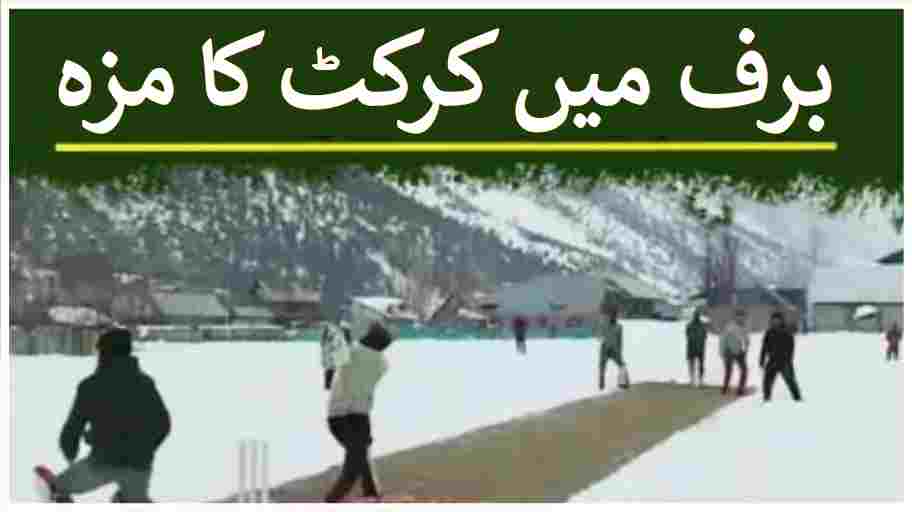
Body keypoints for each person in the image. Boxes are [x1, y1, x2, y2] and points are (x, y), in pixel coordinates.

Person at [49, 328, 171, 503]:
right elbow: (163, 424)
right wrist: (144, 449)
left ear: (104, 354)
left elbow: (72, 429)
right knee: (136, 499)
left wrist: (70, 453)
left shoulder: (90, 386)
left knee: (58, 488)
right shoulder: (145, 384)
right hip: (139, 466)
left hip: (101, 464)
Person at [324, 305, 397, 503]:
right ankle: (367, 493)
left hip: (340, 415)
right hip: (358, 414)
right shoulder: (382, 363)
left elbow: (334, 357)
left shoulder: (355, 353)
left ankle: (336, 500)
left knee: (357, 460)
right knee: (360, 456)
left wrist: (342, 333)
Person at [759, 312, 803, 402]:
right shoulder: (769, 332)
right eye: (774, 320)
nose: (775, 321)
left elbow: (791, 345)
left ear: (781, 320)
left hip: (784, 361)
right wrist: (762, 360)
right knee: (767, 381)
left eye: (777, 320)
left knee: (790, 381)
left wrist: (788, 360)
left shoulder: (787, 331)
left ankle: (797, 398)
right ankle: (766, 399)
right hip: (772, 361)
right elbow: (764, 347)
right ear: (771, 321)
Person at [596, 304, 630, 391]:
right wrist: (601, 338)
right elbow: (599, 335)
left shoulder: (619, 327)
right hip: (605, 348)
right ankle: (601, 385)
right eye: (611, 315)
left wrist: (619, 351)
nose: (613, 317)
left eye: (614, 315)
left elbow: (620, 340)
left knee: (622, 366)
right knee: (602, 367)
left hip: (614, 350)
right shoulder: (604, 324)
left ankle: (623, 383)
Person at [720, 309, 750, 396]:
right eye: (739, 316)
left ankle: (740, 389)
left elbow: (746, 338)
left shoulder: (744, 326)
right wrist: (722, 352)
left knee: (744, 370)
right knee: (728, 371)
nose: (741, 318)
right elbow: (723, 339)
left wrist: (746, 345)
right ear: (735, 317)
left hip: (739, 351)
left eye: (742, 317)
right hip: (729, 351)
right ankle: (725, 388)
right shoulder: (730, 327)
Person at [321, 315, 353, 391]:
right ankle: (328, 385)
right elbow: (323, 340)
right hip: (331, 350)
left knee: (341, 368)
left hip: (340, 350)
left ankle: (339, 385)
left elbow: (348, 339)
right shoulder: (329, 327)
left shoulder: (344, 328)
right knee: (331, 368)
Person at [685, 309, 708, 387]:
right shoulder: (690, 325)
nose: (696, 317)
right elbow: (688, 335)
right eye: (696, 315)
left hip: (698, 348)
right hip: (693, 347)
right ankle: (693, 380)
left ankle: (699, 380)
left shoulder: (701, 326)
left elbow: (705, 336)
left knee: (700, 365)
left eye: (697, 315)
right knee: (693, 364)